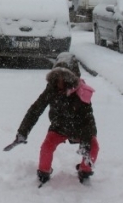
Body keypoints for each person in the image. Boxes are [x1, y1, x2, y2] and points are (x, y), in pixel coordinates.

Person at [8, 53, 99, 185]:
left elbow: (88, 121)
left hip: (80, 129)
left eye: (65, 77)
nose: (60, 81)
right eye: (57, 76)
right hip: (59, 127)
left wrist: (86, 144)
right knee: (46, 147)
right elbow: (35, 110)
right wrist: (23, 132)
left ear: (72, 78)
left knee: (94, 147)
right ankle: (44, 171)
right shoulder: (51, 89)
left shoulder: (82, 93)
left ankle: (85, 170)